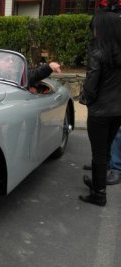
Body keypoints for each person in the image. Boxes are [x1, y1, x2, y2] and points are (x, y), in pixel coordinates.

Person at [78, 1, 121, 206]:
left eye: (95, 28)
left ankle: (99, 194)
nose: (93, 32)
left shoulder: (98, 52)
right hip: (118, 111)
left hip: (100, 111)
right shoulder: (117, 53)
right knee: (105, 150)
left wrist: (85, 100)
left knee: (99, 153)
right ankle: (97, 186)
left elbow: (91, 84)